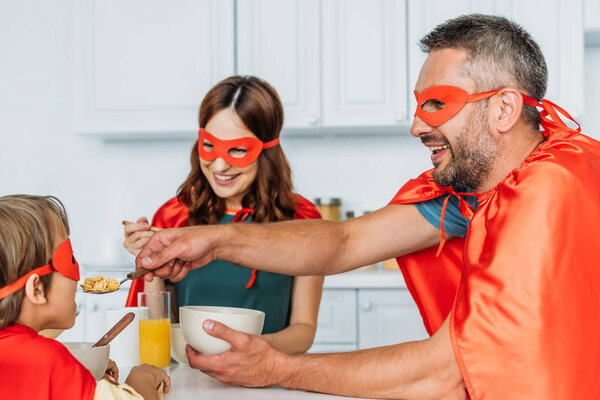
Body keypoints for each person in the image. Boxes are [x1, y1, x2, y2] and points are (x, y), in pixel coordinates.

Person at [134, 14, 600, 400]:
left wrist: (278, 367)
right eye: (419, 105)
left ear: (503, 109)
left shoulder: (550, 190)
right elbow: (345, 241)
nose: (417, 125)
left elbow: (447, 373)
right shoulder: (477, 185)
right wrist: (215, 240)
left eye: (436, 104)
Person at [123, 76, 323, 354]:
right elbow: (158, 323)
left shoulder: (303, 221)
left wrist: (248, 349)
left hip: (269, 377)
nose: (219, 164)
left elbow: (303, 330)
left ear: (268, 150)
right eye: (210, 146)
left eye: (238, 150)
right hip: (189, 375)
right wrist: (149, 261)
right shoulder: (174, 216)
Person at [0, 195, 171, 400]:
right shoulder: (51, 361)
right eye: (70, 259)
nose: (79, 276)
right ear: (36, 290)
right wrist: (139, 381)